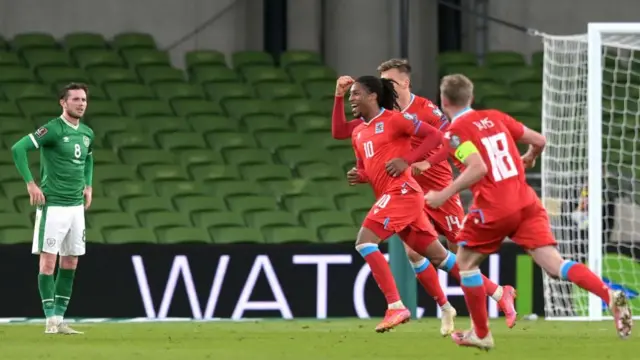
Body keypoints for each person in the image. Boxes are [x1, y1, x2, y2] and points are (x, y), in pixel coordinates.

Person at [413, 74, 633, 350]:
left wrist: (443, 194)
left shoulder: (455, 132)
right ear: (471, 96)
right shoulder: (496, 117)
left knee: (466, 264)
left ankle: (480, 333)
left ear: (444, 101)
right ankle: (608, 294)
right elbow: (539, 139)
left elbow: (477, 167)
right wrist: (530, 156)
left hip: (494, 207)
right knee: (555, 265)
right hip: (527, 203)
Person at [333, 59, 516, 335]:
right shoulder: (361, 130)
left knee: (368, 241)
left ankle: (397, 306)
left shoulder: (411, 115)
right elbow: (345, 138)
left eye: (356, 94)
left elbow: (443, 139)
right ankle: (491, 294)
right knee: (436, 257)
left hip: (426, 190)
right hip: (407, 194)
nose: (352, 99)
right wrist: (364, 175)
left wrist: (412, 160)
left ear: (402, 83)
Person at [11, 83, 94, 335]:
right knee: (48, 263)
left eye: (84, 100)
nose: (81, 103)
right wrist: (30, 184)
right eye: (76, 99)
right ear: (63, 102)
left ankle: (60, 318)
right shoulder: (53, 129)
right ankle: (49, 320)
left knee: (71, 262)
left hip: (76, 208)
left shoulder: (87, 132)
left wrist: (88, 185)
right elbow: (18, 148)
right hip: (54, 205)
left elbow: (88, 157)